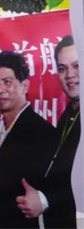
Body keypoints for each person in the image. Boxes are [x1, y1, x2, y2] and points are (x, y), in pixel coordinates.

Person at [0, 51, 56, 228]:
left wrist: (44, 200)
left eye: (7, 82)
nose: (0, 90)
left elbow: (53, 187)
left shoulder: (42, 132)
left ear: (25, 86)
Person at [15, 35, 80, 228]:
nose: (69, 75)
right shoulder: (68, 115)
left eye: (77, 65)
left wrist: (45, 199)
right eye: (62, 68)